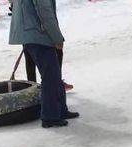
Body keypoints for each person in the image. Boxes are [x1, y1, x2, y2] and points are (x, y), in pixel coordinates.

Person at [9, 0, 79, 128]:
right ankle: (50, 116)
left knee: (55, 75)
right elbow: (44, 12)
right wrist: (56, 37)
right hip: (38, 34)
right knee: (51, 76)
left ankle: (60, 110)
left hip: (33, 33)